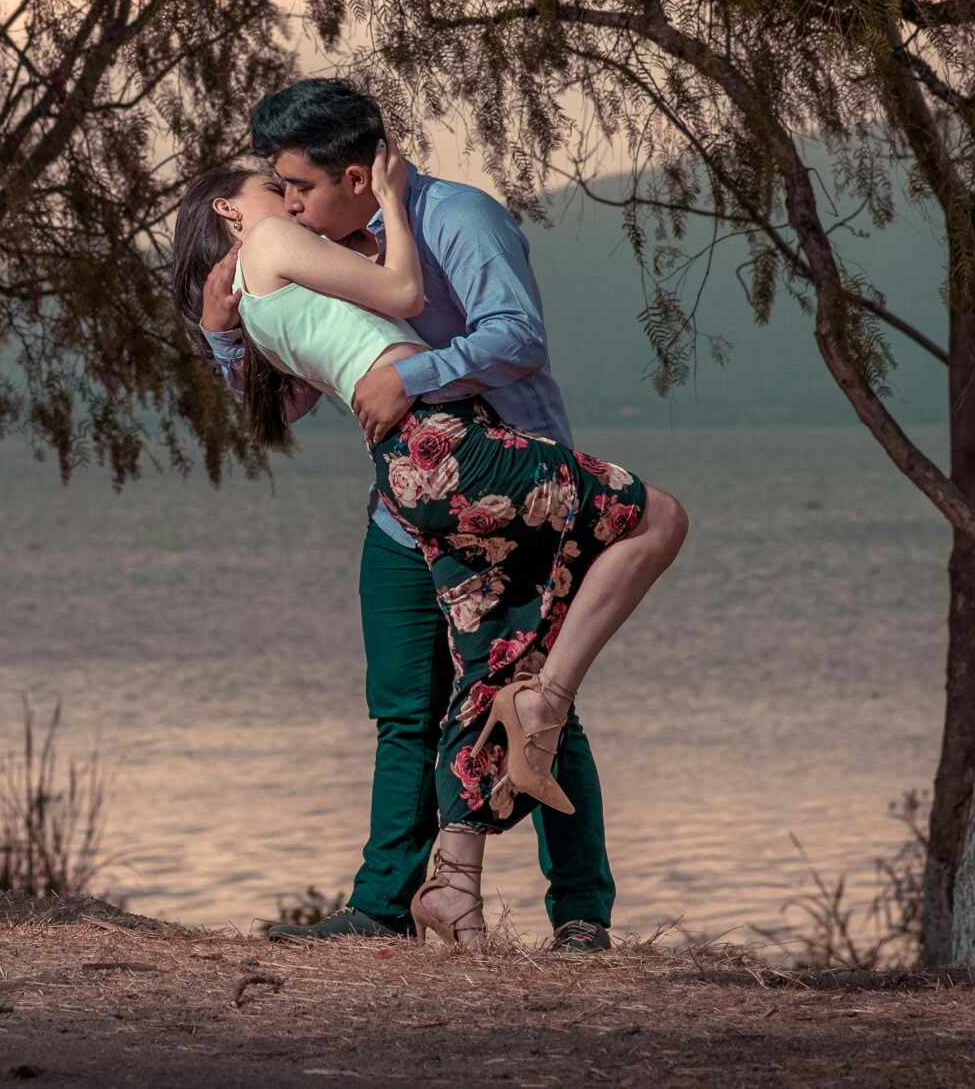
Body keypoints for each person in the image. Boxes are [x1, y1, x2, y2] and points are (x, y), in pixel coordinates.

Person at [168, 88, 689, 947]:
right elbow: (296, 394)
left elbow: (517, 333)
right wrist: (225, 338)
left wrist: (412, 376)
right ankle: (382, 908)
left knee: (533, 696)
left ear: (353, 173)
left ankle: (582, 918)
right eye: (281, 189)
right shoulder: (317, 240)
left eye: (298, 186)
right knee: (406, 707)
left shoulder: (456, 217)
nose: (290, 204)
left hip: (505, 479)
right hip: (406, 503)